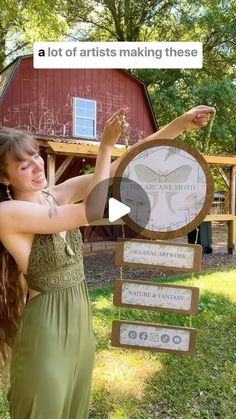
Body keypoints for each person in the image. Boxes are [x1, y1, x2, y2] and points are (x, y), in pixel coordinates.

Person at [0, 104, 214, 419]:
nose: (35, 166)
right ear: (4, 178)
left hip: (80, 323)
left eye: (34, 156)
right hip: (45, 328)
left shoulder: (55, 196)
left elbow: (121, 168)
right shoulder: (7, 213)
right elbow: (92, 210)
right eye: (22, 166)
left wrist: (178, 125)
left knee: (74, 408)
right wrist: (103, 149)